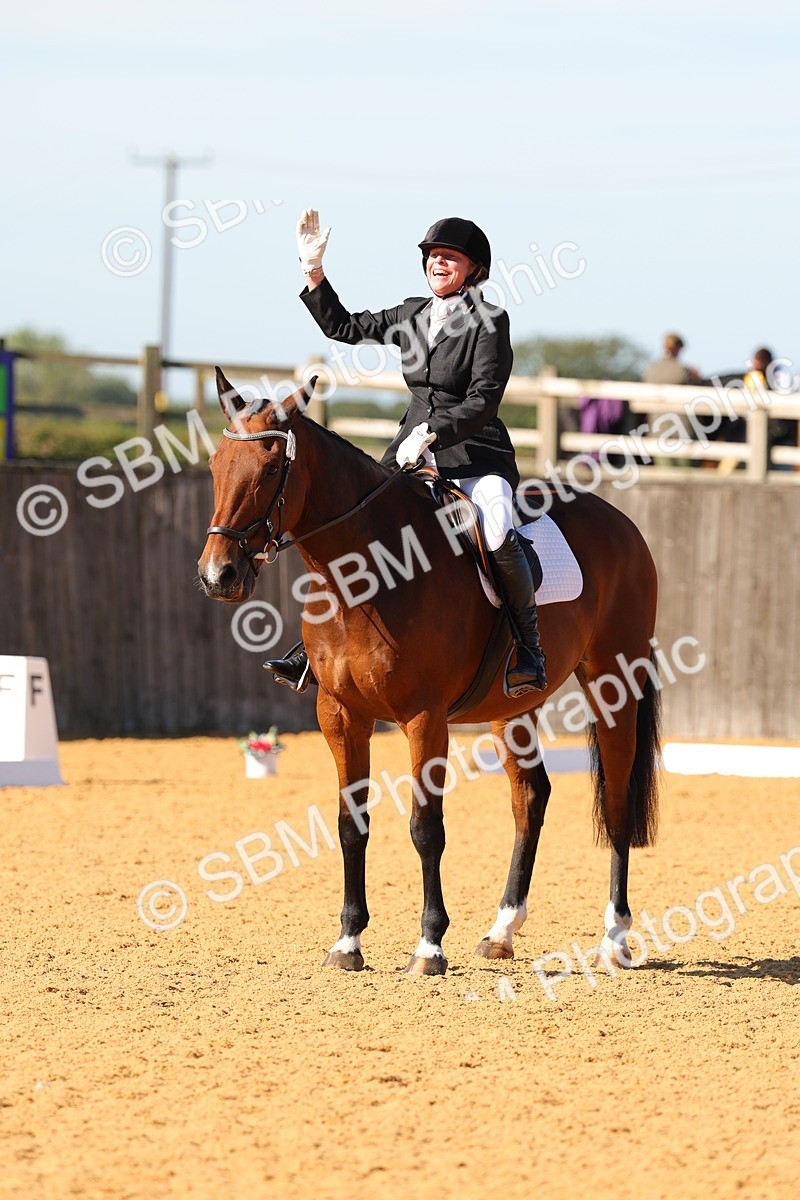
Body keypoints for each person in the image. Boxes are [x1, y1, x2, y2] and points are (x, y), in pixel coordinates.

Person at [263, 208, 547, 697]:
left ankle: (529, 648)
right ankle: (312, 646)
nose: (438, 263)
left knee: (497, 529)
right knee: (357, 523)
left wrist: (434, 431)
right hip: (409, 453)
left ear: (474, 270)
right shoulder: (412, 313)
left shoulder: (490, 322)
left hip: (475, 454)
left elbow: (484, 399)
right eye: (433, 256)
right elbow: (344, 328)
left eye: (450, 257)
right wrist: (314, 271)